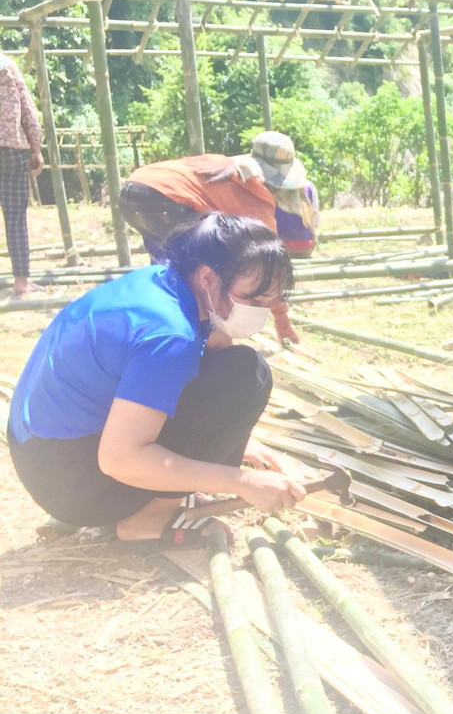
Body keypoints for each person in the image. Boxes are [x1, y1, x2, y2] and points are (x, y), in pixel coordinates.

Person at [6, 213, 306, 547]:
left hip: (41, 456)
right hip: (73, 485)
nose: (260, 312)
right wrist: (241, 481)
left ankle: (153, 499)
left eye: (269, 301)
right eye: (253, 300)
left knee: (236, 369)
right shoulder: (169, 335)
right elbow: (120, 459)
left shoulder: (164, 282)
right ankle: (145, 520)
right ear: (208, 276)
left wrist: (241, 442)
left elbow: (215, 351)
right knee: (248, 376)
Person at [118, 131, 318, 342]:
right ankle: (203, 339)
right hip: (167, 201)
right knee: (200, 271)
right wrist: (281, 321)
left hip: (134, 191)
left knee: (167, 266)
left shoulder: (220, 164)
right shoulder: (258, 201)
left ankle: (155, 325)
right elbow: (269, 269)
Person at [0, 54, 45, 298]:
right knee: (16, 218)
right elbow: (27, 109)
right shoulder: (9, 68)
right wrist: (36, 149)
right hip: (11, 152)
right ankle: (21, 282)